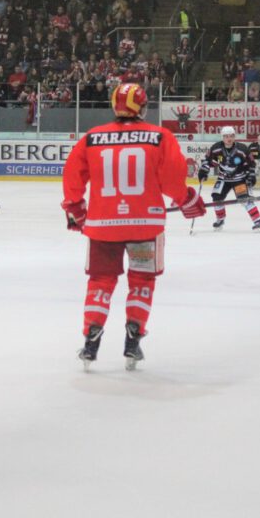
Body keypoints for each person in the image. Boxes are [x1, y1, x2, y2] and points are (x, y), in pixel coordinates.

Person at [61, 83, 205, 370]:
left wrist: (75, 209)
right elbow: (173, 180)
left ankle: (91, 339)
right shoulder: (159, 136)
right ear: (143, 106)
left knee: (101, 282)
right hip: (145, 225)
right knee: (141, 281)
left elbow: (73, 177)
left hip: (103, 224)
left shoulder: (92, 138)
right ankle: (133, 339)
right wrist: (189, 200)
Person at [198, 126, 260, 231]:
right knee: (217, 198)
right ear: (222, 137)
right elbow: (208, 161)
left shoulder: (242, 149)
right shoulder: (216, 148)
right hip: (223, 179)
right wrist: (203, 171)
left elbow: (251, 164)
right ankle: (220, 219)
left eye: (231, 136)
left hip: (239, 179)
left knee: (245, 199)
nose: (229, 138)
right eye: (226, 136)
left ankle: (258, 221)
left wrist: (251, 175)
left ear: (234, 137)